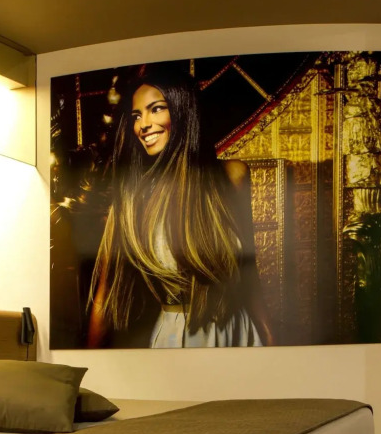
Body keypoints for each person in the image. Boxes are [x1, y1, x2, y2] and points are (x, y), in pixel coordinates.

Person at [86, 66, 273, 348]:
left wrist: (269, 335)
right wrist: (90, 362)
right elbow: (105, 294)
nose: (143, 125)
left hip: (239, 332)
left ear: (183, 111)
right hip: (179, 337)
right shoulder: (133, 198)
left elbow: (248, 268)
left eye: (156, 109)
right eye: (137, 116)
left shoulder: (233, 176)